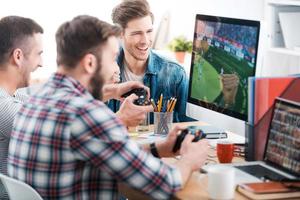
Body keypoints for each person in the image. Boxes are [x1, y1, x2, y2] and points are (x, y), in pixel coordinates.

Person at [8, 15, 209, 199]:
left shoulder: (35, 97)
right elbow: (166, 183)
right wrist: (190, 160)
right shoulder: (87, 113)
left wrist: (159, 148)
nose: (115, 68)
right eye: (113, 58)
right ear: (89, 63)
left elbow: (110, 151)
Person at [108, 0, 189, 122]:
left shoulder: (175, 74)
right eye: (137, 33)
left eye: (149, 31)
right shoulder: (103, 72)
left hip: (160, 142)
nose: (145, 41)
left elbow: (188, 124)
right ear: (120, 34)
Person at [0, 16, 44, 176]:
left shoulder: (15, 97)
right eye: (38, 54)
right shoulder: (4, 107)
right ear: (18, 56)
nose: (41, 63)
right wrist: (118, 119)